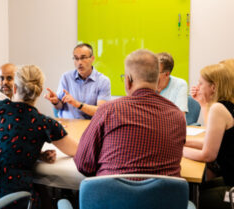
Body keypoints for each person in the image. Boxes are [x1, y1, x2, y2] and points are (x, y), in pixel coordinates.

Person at [0, 65, 78, 209]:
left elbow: (5, 141)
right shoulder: (44, 123)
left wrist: (38, 154)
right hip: (14, 196)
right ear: (38, 93)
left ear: (14, 89)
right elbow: (76, 150)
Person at [74, 49, 186, 177]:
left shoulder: (108, 110)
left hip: (111, 195)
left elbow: (83, 164)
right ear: (157, 80)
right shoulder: (177, 116)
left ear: (128, 81)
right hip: (162, 196)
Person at [183, 64, 234, 209]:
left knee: (191, 197)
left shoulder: (219, 108)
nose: (198, 87)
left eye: (201, 83)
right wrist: (182, 142)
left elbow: (208, 155)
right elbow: (211, 141)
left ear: (213, 87)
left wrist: (178, 150)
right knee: (196, 188)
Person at [44, 43, 111, 119]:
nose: (79, 62)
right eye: (76, 58)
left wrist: (77, 104)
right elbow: (60, 107)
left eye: (83, 58)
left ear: (92, 59)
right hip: (68, 124)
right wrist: (55, 102)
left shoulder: (103, 81)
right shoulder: (66, 77)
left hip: (90, 126)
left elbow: (100, 111)